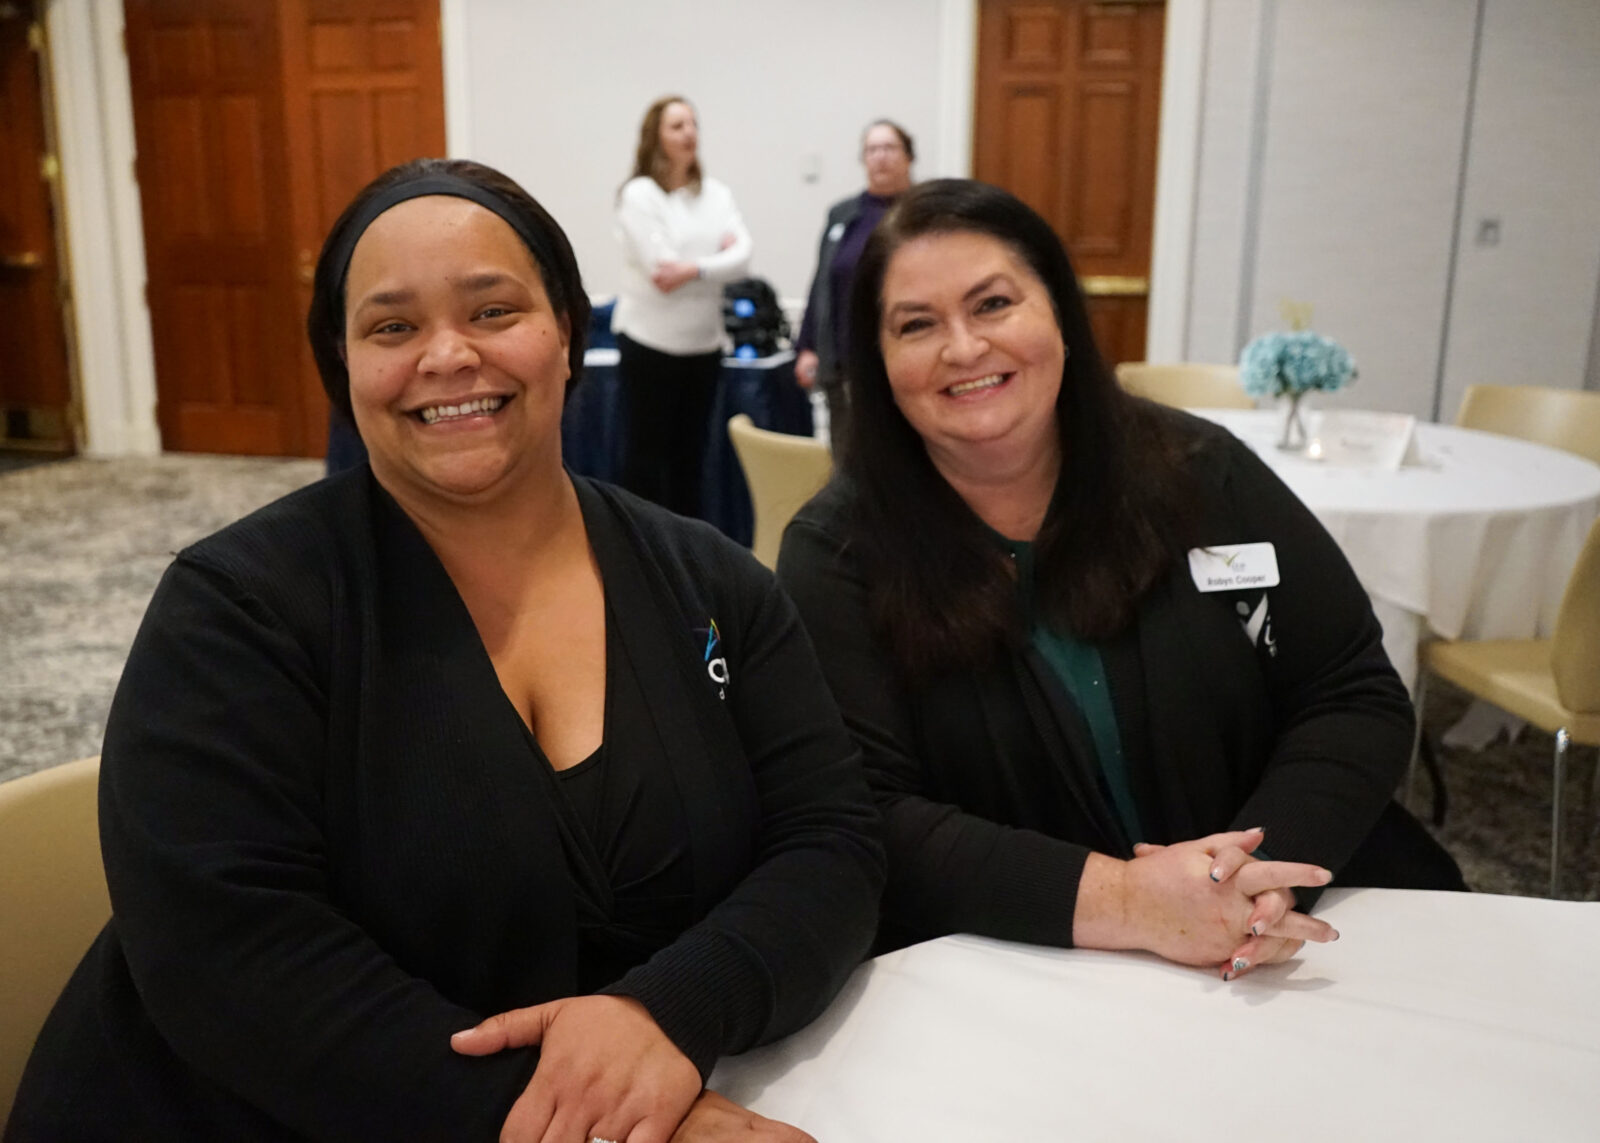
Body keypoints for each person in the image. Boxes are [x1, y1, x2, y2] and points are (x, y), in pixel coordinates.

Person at [6, 159, 881, 1143]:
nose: (449, 355)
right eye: (391, 327)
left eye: (493, 311)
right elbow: (227, 954)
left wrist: (671, 1010)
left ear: (568, 334)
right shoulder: (237, 611)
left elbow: (831, 842)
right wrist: (567, 1118)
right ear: (343, 368)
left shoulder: (711, 581)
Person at [776, 179, 1463, 980]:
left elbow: (1351, 691)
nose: (963, 347)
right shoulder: (835, 554)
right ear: (878, 362)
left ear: (1060, 313)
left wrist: (1249, 880)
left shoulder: (1201, 472)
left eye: (993, 303)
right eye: (916, 324)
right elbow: (865, 813)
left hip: (1276, 946)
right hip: (1016, 970)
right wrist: (1132, 901)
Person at [613, 95, 752, 518]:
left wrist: (693, 268)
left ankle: (687, 550)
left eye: (693, 124)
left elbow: (743, 259)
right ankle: (643, 547)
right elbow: (661, 271)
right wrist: (715, 260)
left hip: (704, 346)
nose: (689, 133)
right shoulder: (640, 195)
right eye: (677, 126)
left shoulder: (716, 195)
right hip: (649, 345)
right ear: (655, 137)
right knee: (647, 461)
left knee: (691, 464)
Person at [794, 120, 916, 445]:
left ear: (908, 157)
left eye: (889, 148)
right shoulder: (842, 215)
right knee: (846, 457)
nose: (880, 157)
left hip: (903, 363)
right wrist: (807, 346)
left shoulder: (924, 212)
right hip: (844, 365)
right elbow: (822, 282)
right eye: (872, 149)